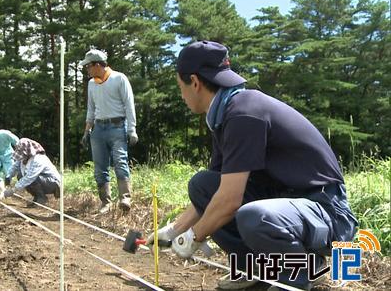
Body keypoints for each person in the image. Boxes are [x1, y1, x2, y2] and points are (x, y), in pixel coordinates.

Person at [146, 41, 358, 291]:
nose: (181, 95)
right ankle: (258, 269)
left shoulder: (244, 113)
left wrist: (193, 237)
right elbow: (216, 193)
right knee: (202, 185)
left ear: (194, 81)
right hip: (288, 206)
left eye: (180, 87)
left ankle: (301, 272)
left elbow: (229, 201)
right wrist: (173, 230)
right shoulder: (224, 115)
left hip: (326, 212)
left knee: (254, 216)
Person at [79, 48, 138, 213]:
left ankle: (125, 198)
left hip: (118, 127)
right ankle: (105, 202)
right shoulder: (92, 84)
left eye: (88, 66)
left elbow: (129, 105)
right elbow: (90, 109)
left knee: (120, 161)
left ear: (97, 65)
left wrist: (132, 130)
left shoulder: (119, 78)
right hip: (98, 129)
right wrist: (86, 131)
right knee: (100, 167)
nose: (87, 70)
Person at [0, 138, 61, 206]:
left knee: (30, 179)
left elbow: (30, 177)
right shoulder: (24, 157)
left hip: (52, 182)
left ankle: (42, 198)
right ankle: (37, 197)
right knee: (20, 175)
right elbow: (15, 166)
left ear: (26, 151)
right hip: (41, 179)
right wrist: (8, 176)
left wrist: (13, 190)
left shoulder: (38, 159)